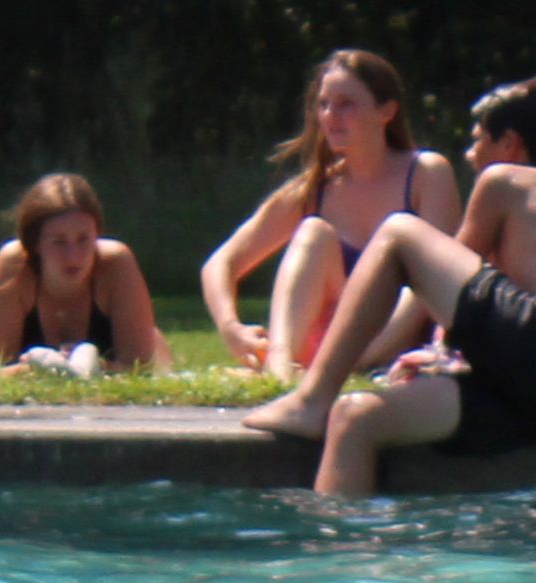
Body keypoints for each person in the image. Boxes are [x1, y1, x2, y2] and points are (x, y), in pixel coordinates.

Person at [245, 77, 536, 499]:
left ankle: (312, 399)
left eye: (478, 141)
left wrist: (428, 351)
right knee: (355, 417)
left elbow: (438, 285)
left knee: (399, 233)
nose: (470, 155)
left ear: (510, 145)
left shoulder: (505, 180)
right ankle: (335, 546)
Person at [193, 52, 459, 374]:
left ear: (386, 111)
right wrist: (231, 328)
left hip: (394, 345)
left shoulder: (426, 173)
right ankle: (281, 364)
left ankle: (336, 367)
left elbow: (432, 286)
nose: (331, 115)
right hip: (329, 348)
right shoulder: (315, 190)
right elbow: (220, 263)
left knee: (413, 260)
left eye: (346, 104)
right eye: (324, 104)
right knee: (313, 233)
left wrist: (354, 361)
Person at [0, 171, 167, 374]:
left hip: (124, 361)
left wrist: (92, 365)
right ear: (34, 243)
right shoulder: (14, 266)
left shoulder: (115, 263)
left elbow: (141, 368)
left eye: (83, 239)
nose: (73, 257)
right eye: (58, 242)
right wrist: (39, 368)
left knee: (155, 341)